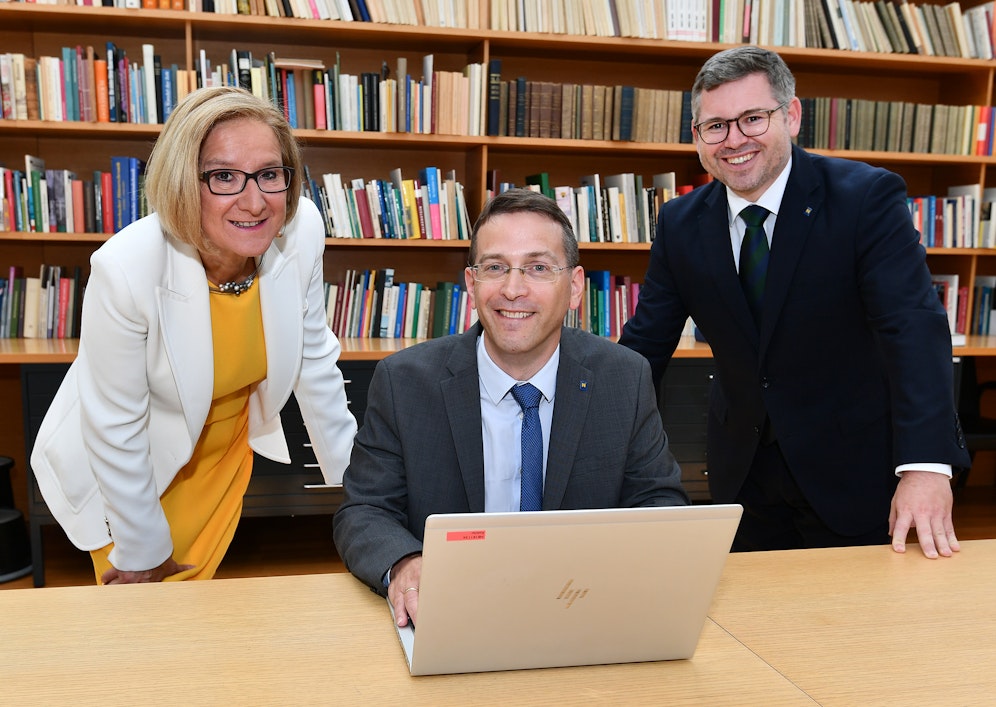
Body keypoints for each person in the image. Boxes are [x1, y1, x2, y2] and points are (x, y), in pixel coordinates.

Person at [619, 46, 970, 559]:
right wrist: (582, 421)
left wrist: (925, 466)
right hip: (743, 470)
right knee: (750, 624)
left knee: (850, 625)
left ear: (793, 116)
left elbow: (912, 329)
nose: (734, 140)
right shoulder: (680, 223)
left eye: (752, 119)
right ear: (696, 137)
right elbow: (646, 343)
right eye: (714, 126)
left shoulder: (866, 198)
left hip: (854, 466)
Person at [30, 86, 357, 584]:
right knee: (144, 616)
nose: (254, 201)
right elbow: (115, 425)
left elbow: (314, 362)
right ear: (185, 180)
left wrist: (361, 490)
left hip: (223, 457)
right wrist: (142, 549)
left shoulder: (303, 229)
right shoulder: (126, 269)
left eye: (270, 174)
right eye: (224, 176)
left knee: (200, 615)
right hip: (132, 473)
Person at [333, 188, 688, 626]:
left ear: (575, 287)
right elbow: (365, 510)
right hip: (455, 612)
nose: (513, 290)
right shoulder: (404, 382)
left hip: (581, 609)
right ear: (471, 282)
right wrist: (405, 563)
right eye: (495, 267)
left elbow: (658, 502)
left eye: (538, 268)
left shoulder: (624, 377)